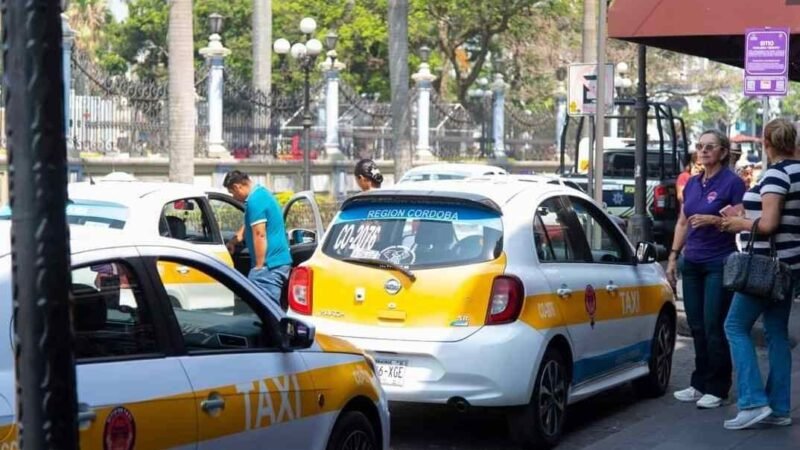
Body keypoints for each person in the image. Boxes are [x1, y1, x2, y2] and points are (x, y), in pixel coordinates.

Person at [719, 118, 799, 430]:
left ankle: (752, 402)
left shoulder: (777, 174)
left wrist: (739, 223)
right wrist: (745, 212)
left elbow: (769, 224)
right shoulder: (797, 171)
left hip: (766, 265)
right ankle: (779, 407)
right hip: (790, 265)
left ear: (766, 143)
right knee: (776, 333)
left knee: (734, 326)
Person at [666, 129, 746, 409]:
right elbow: (682, 222)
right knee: (696, 325)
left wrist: (714, 220)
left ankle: (718, 387)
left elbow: (742, 221)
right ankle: (698, 382)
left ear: (723, 152)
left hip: (719, 261)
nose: (703, 151)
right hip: (693, 261)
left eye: (710, 147)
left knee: (714, 325)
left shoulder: (733, 183)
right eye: (700, 146)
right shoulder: (691, 183)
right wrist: (674, 257)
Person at [223, 170, 292, 306]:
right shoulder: (260, 194)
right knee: (267, 310)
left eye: (232, 192)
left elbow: (259, 234)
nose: (234, 197)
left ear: (238, 187)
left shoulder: (255, 201)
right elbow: (250, 223)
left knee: (266, 311)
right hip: (275, 263)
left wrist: (259, 267)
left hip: (269, 265)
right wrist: (234, 241)